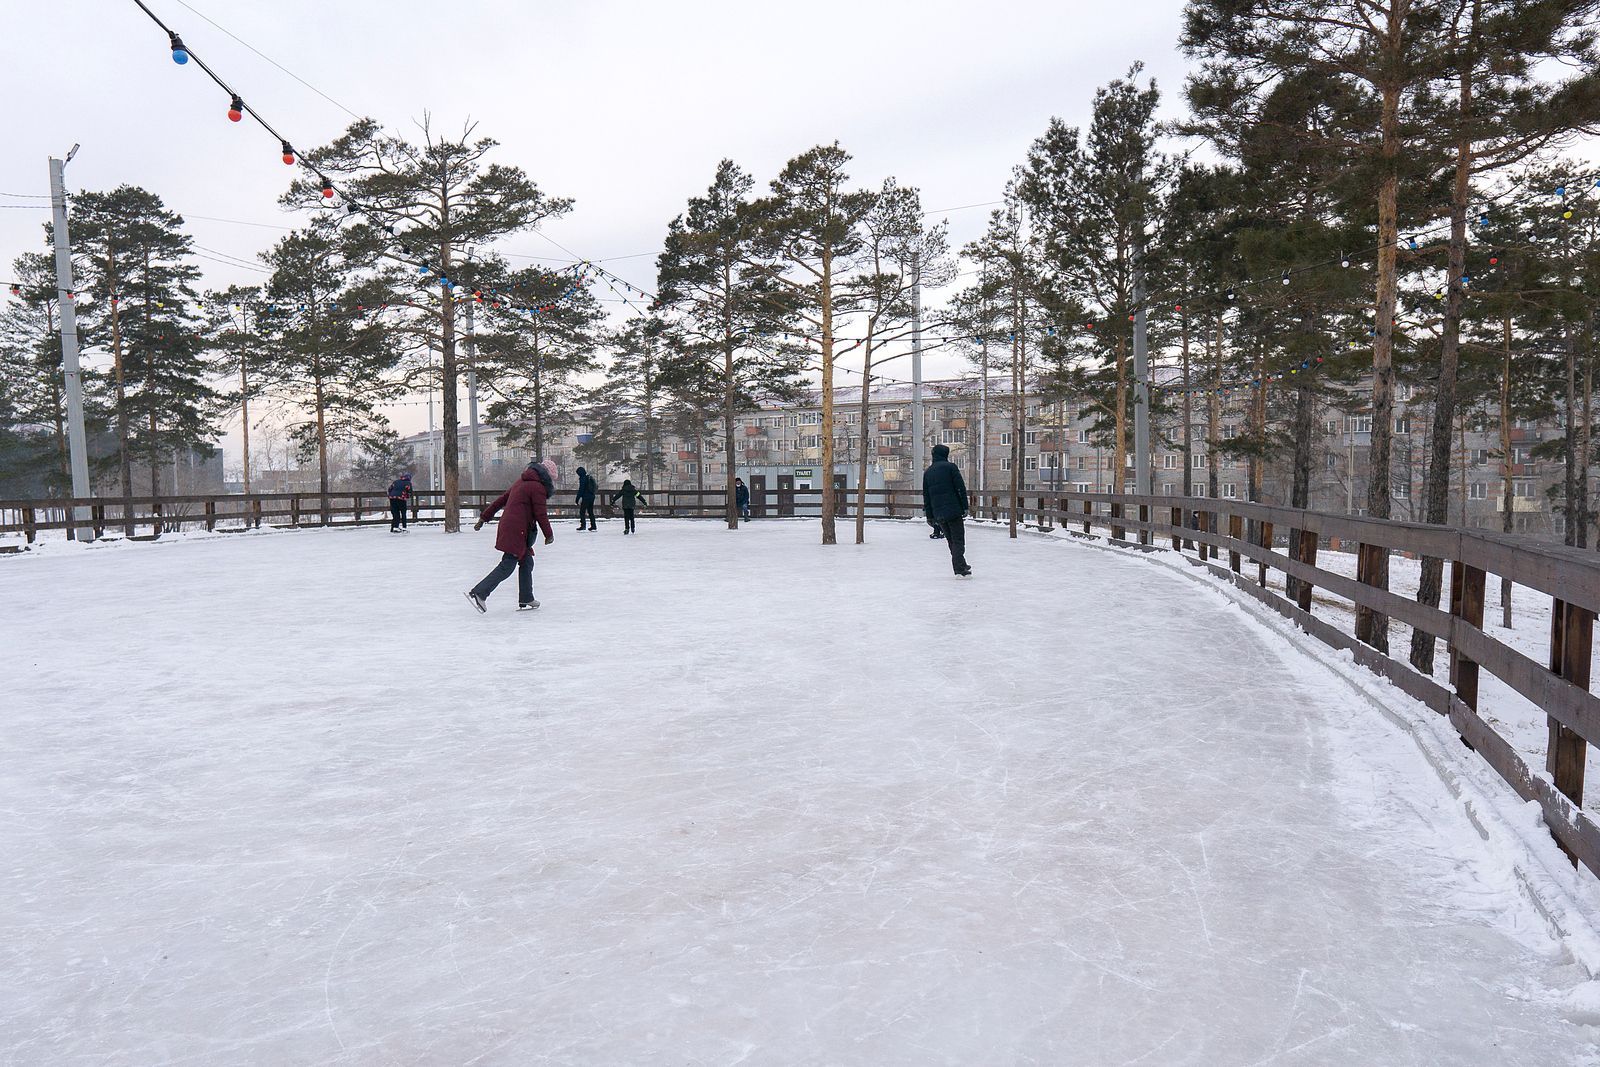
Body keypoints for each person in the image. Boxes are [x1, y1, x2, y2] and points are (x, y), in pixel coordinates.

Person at [466, 459, 555, 613]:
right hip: (517, 530)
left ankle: (526, 597)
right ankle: (480, 592)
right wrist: (549, 534)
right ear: (546, 476)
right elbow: (541, 514)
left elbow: (501, 500)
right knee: (508, 565)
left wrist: (484, 517)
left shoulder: (521, 482)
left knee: (527, 562)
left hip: (511, 527)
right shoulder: (537, 487)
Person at [922, 443, 971, 577]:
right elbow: (960, 488)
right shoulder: (950, 468)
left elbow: (927, 496)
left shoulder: (928, 472)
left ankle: (961, 564)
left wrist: (930, 516)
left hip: (938, 512)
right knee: (958, 540)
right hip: (953, 509)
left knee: (951, 540)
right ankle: (959, 568)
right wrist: (965, 506)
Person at [574, 466, 598, 531]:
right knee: (590, 511)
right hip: (592, 496)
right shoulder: (588, 477)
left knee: (582, 511)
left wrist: (577, 498)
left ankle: (583, 525)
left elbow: (581, 489)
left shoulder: (583, 478)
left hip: (586, 497)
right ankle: (593, 526)